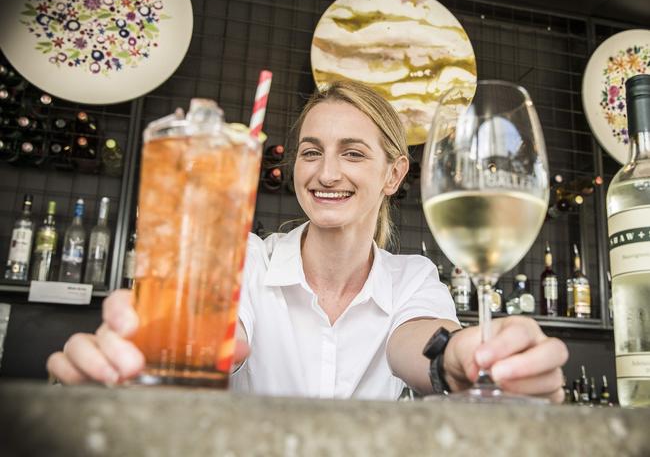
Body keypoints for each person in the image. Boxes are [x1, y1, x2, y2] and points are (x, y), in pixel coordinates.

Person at [47, 81, 568, 401]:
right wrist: (142, 362)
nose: (327, 172)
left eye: (354, 153)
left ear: (394, 174)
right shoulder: (247, 258)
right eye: (311, 151)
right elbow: (208, 341)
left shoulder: (413, 277)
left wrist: (461, 358)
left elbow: (420, 346)